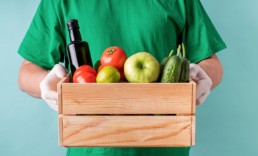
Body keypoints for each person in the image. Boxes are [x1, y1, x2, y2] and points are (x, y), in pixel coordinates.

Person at [17, 0, 226, 156]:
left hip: (165, 147)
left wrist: (203, 76)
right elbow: (27, 71)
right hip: (90, 148)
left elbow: (211, 62)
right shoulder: (60, 1)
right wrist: (45, 85)